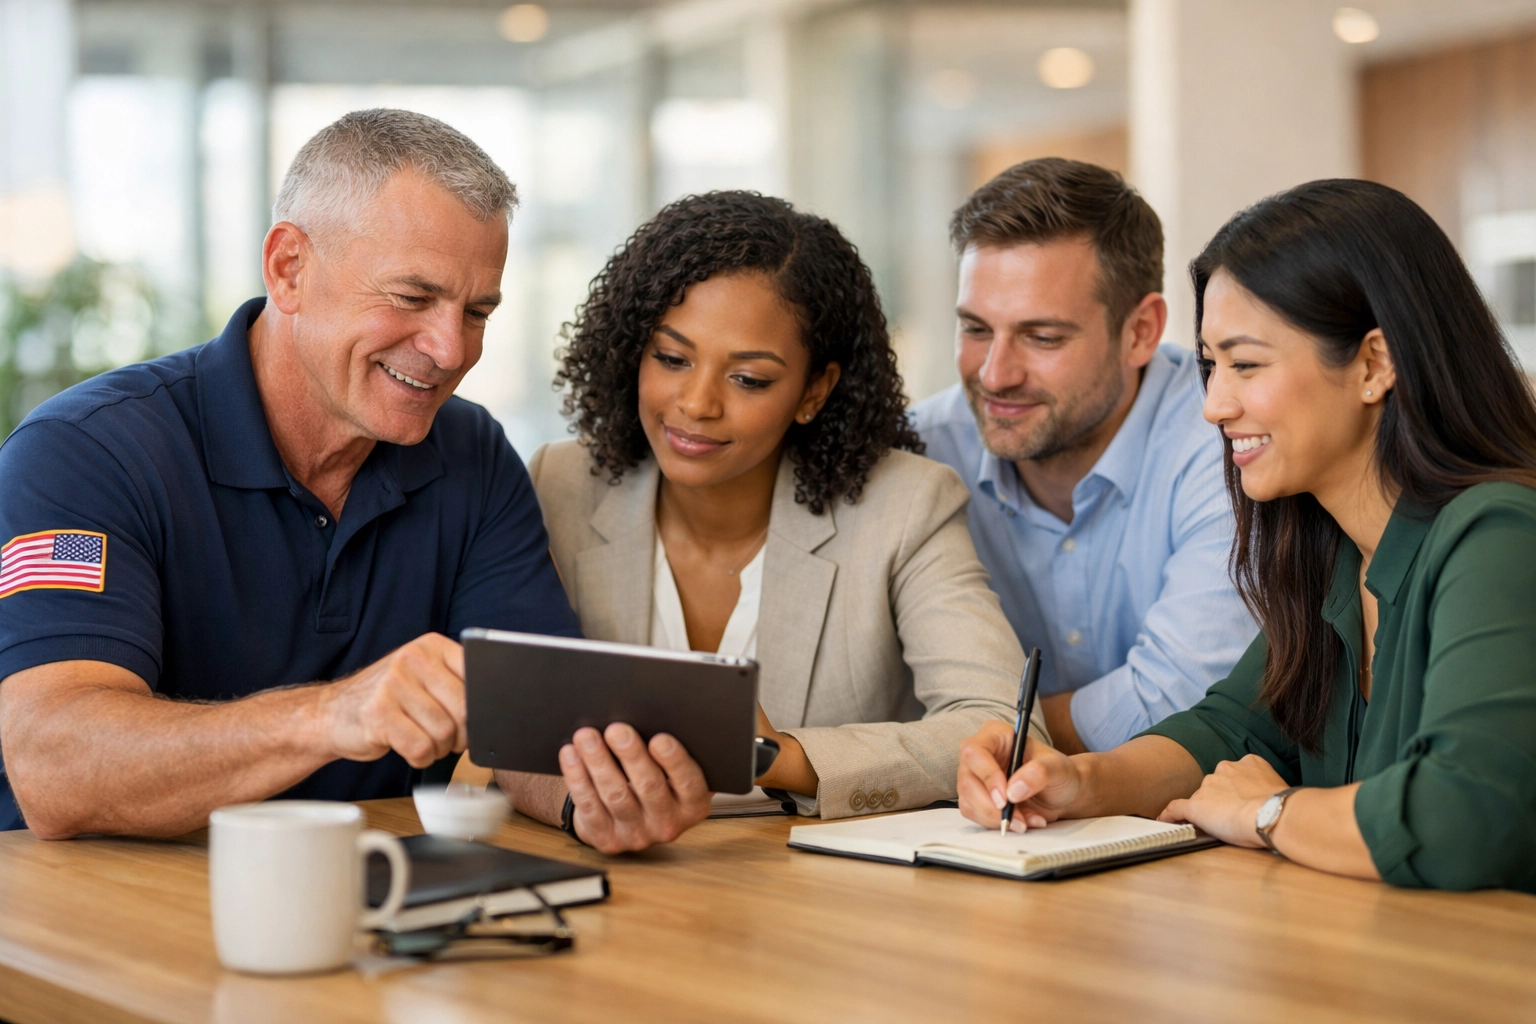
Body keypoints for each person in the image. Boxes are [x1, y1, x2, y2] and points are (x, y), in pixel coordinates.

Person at [0, 109, 579, 838]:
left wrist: (594, 796)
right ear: (289, 269)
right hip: (108, 901)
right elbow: (56, 767)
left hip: (376, 892)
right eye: (412, 297)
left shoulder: (474, 451)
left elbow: (532, 728)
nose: (451, 349)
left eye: (478, 312)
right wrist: (332, 715)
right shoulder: (83, 452)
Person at [958, 179, 1536, 893]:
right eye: (1209, 365)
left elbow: (1466, 814)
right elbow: (1228, 731)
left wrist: (1268, 812)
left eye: (1246, 364)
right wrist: (1079, 781)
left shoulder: (1498, 535)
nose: (1214, 405)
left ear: (1373, 363)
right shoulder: (1330, 553)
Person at [494, 191, 1045, 855]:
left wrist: (779, 758)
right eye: (671, 358)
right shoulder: (560, 485)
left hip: (814, 889)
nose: (697, 403)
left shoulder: (905, 506)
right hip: (618, 873)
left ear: (814, 391)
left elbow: (1001, 727)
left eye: (749, 379)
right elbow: (507, 728)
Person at [911, 158, 1256, 755]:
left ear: (1141, 331)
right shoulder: (921, 452)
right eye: (975, 329)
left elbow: (1185, 699)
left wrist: (967, 735)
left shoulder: (1230, 439)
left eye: (1042, 337)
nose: (994, 374)